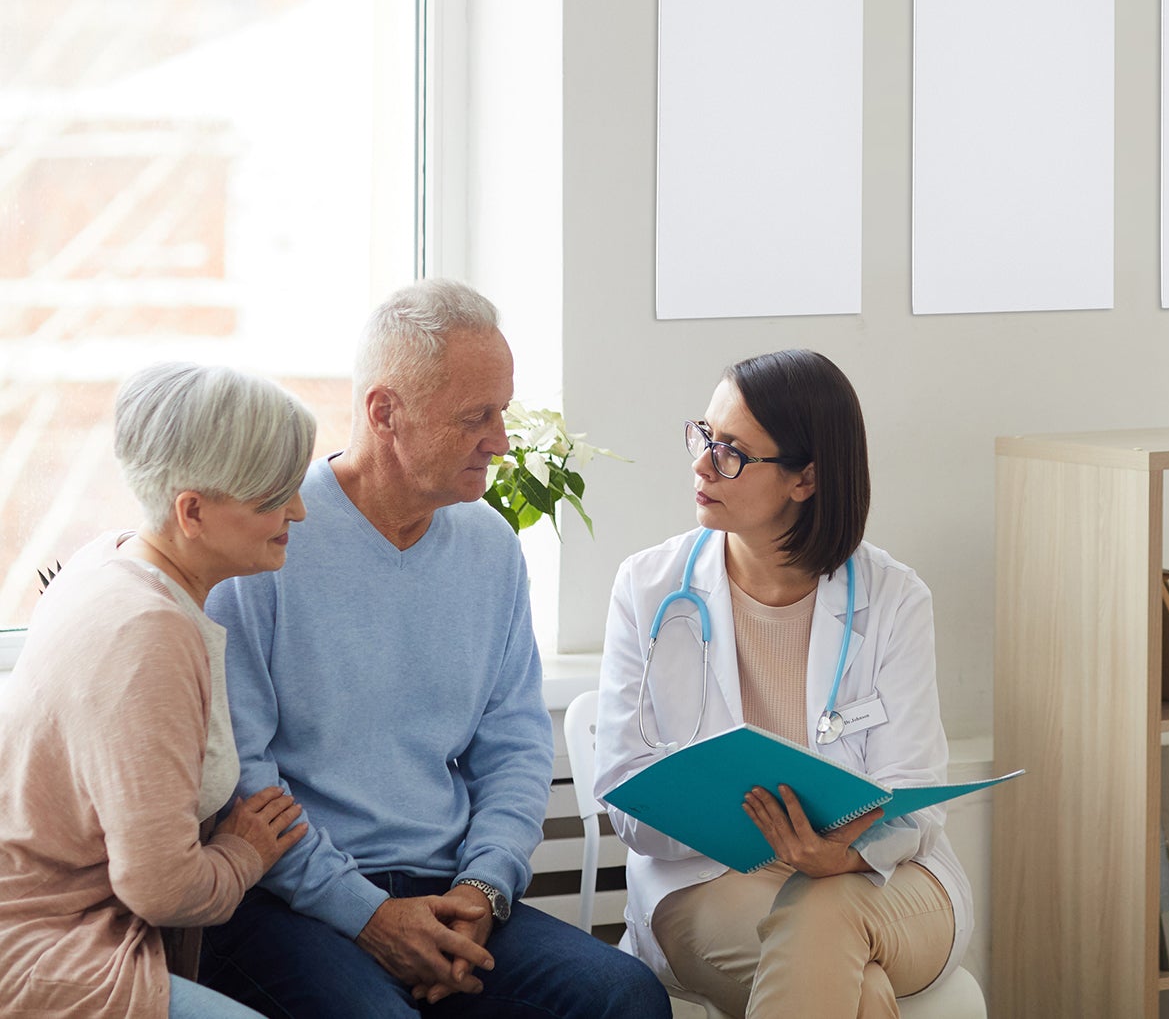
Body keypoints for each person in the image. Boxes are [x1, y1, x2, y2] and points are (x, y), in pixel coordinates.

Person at [200, 279, 669, 1019]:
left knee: (623, 996)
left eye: (503, 412)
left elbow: (514, 746)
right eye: (475, 417)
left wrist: (482, 889)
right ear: (385, 412)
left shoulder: (489, 548)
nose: (502, 441)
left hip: (450, 887)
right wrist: (366, 915)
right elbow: (242, 777)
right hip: (290, 900)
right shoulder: (268, 539)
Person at [594, 348, 971, 1019]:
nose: (701, 465)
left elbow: (914, 798)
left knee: (826, 917)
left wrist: (840, 857)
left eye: (731, 452)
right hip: (711, 883)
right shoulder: (647, 589)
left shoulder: (894, 599)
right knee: (860, 991)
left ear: (805, 480)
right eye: (703, 437)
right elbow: (628, 799)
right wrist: (761, 833)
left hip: (883, 882)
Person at [0, 362, 316, 1019]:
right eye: (272, 496)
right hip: (47, 947)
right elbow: (162, 889)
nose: (299, 510)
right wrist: (243, 852)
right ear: (192, 510)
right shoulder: (151, 633)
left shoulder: (106, 557)